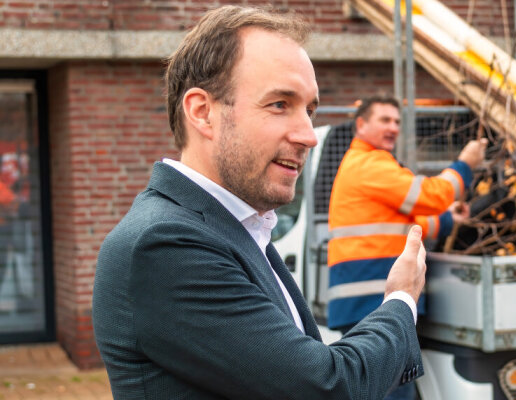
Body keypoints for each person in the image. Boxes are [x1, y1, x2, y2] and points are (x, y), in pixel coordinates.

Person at [93, 6, 427, 399]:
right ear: (203, 113)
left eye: (310, 109)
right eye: (279, 105)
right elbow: (327, 387)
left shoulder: (237, 226)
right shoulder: (165, 245)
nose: (309, 134)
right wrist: (401, 300)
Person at [326, 97, 485, 332]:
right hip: (373, 301)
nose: (393, 127)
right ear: (361, 125)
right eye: (385, 120)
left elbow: (405, 224)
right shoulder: (370, 165)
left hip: (367, 301)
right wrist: (465, 165)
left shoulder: (363, 164)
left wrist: (447, 219)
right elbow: (431, 196)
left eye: (397, 122)